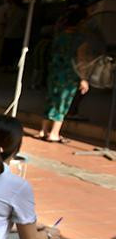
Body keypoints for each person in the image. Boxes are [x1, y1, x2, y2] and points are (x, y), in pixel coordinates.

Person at [38, 8, 90, 143]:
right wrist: (83, 78)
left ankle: (43, 130)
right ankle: (54, 133)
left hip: (54, 72)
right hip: (69, 75)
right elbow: (81, 60)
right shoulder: (80, 39)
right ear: (81, 22)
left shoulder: (59, 35)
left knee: (50, 99)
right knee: (63, 102)